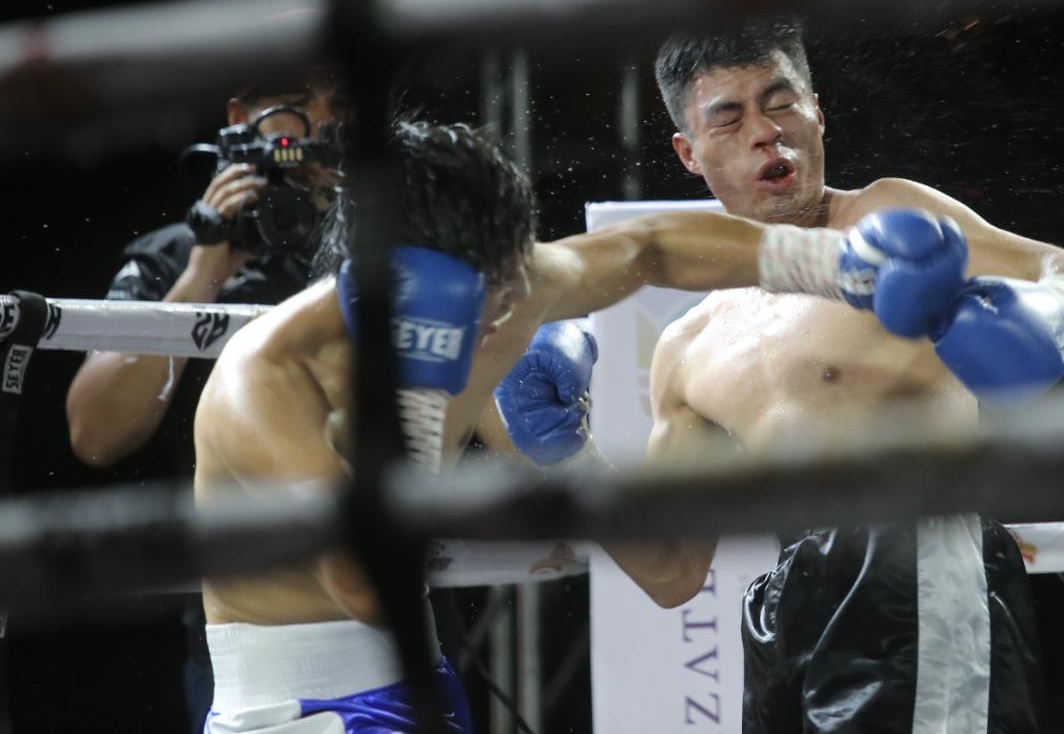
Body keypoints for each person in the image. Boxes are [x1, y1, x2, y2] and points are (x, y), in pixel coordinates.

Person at [194, 116, 891, 734]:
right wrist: (422, 394)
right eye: (487, 293)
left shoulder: (502, 287)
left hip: (421, 686)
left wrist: (832, 261)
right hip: (295, 712)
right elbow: (371, 591)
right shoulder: (267, 381)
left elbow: (652, 247)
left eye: (512, 277)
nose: (509, 311)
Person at [603, 18, 1064, 733]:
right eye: (730, 117)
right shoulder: (689, 344)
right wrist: (559, 447)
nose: (766, 132)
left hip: (912, 572)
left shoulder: (890, 219)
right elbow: (671, 573)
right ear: (689, 153)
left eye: (781, 102)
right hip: (786, 610)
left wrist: (1052, 318)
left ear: (819, 111)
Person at [64, 70, 348, 733]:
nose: (324, 120)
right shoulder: (174, 256)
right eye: (298, 102)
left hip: (384, 599)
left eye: (341, 103)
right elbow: (93, 431)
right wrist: (202, 273)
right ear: (240, 116)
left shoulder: (382, 246)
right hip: (241, 629)